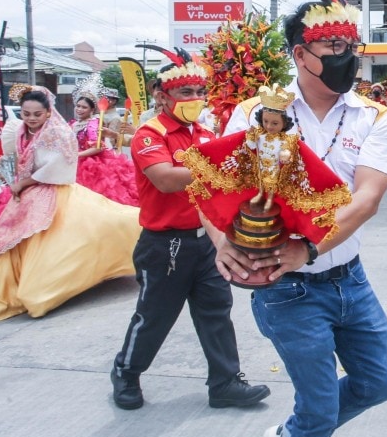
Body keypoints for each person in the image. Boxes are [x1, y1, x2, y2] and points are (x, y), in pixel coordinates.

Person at [221, 0, 387, 437]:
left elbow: (365, 198)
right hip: (285, 289)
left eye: (352, 48)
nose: (348, 58)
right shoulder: (257, 114)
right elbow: (216, 189)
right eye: (335, 48)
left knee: (378, 383)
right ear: (301, 54)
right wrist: (217, 243)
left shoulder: (373, 116)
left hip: (348, 277)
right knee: (320, 406)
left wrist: (312, 248)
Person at [110, 53, 270, 412]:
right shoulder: (150, 135)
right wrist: (220, 167)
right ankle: (126, 372)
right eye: (185, 91)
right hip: (164, 246)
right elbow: (165, 179)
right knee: (155, 316)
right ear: (161, 95)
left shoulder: (205, 134)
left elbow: (215, 190)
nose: (194, 97)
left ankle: (226, 383)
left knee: (217, 311)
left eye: (200, 90)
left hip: (207, 242)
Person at [0, 87, 139, 325]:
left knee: (65, 239)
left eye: (36, 114)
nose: (30, 119)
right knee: (6, 240)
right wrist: (13, 180)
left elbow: (57, 167)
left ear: (48, 113)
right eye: (26, 113)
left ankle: (39, 288)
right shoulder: (20, 131)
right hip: (26, 192)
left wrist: (23, 183)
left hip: (53, 189)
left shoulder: (57, 133)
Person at [71, 92, 140, 206]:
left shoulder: (93, 123)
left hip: (93, 164)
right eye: (78, 106)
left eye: (84, 107)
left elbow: (99, 147)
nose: (79, 109)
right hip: (74, 161)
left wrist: (77, 155)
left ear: (92, 109)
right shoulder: (73, 123)